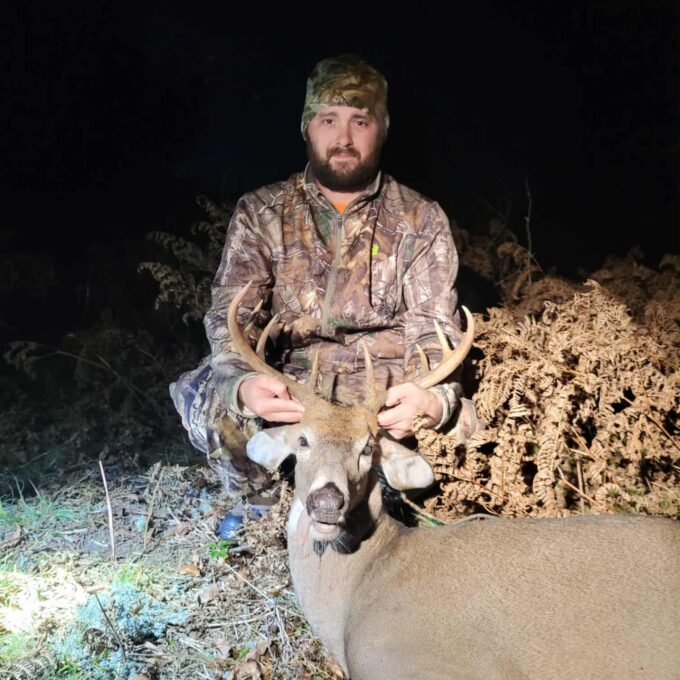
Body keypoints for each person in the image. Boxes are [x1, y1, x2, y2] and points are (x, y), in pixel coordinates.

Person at [170, 54, 482, 536]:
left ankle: (389, 506)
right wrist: (243, 385)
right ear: (306, 127)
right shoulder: (262, 211)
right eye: (329, 119)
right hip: (293, 389)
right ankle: (261, 502)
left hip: (381, 393)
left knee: (463, 421)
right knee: (208, 395)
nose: (344, 138)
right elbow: (231, 317)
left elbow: (433, 329)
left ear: (382, 129)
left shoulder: (420, 218)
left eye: (361, 121)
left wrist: (431, 399)